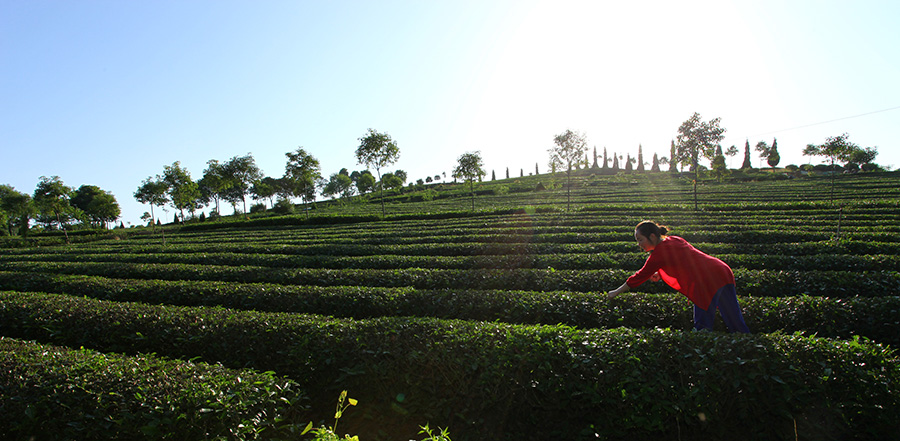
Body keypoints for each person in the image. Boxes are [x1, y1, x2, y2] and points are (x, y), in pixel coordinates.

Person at [607, 221, 750, 333]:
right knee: (734, 320)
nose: (639, 245)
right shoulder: (674, 239)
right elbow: (684, 262)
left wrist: (616, 292)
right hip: (721, 271)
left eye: (640, 240)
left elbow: (639, 277)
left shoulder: (657, 255)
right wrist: (661, 275)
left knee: (703, 326)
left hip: (705, 281)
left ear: (652, 237)